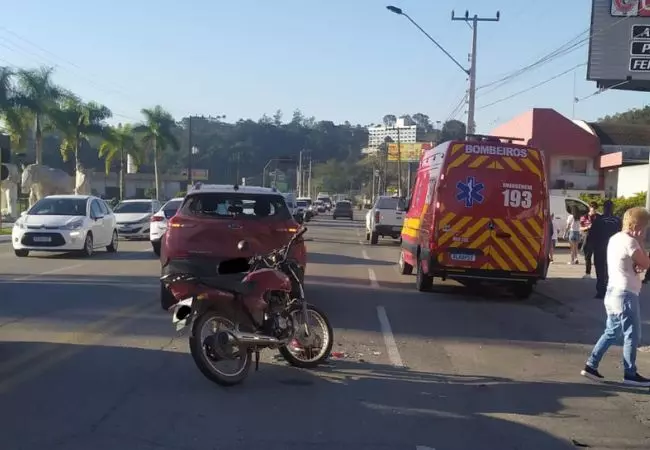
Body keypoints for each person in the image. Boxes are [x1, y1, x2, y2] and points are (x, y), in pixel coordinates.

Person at [581, 207, 650, 386]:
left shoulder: (615, 238)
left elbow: (629, 263)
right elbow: (646, 263)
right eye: (645, 227)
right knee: (632, 334)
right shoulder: (631, 242)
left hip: (612, 292)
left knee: (612, 332)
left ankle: (591, 365)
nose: (646, 231)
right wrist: (640, 241)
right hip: (625, 294)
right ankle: (630, 373)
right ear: (638, 226)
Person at [589, 200, 622, 299]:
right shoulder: (617, 220)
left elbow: (592, 235)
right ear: (613, 208)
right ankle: (609, 289)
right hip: (614, 249)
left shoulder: (598, 220)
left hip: (600, 248)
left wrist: (590, 248)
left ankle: (601, 291)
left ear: (604, 208)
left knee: (600, 269)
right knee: (611, 270)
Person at [580, 201, 600, 278]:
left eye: (595, 208)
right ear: (589, 208)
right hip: (587, 238)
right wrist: (587, 227)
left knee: (598, 258)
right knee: (588, 257)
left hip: (597, 239)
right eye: (592, 208)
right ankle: (588, 273)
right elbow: (580, 228)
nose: (593, 209)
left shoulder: (599, 217)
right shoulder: (584, 217)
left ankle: (599, 274)